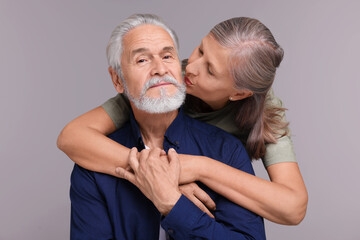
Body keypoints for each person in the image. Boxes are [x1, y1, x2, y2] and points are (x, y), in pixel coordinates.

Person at [58, 15, 308, 225]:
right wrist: (159, 174)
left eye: (210, 70)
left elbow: (293, 208)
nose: (192, 68)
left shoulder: (265, 111)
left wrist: (201, 167)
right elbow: (72, 137)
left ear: (238, 93)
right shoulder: (165, 81)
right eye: (200, 49)